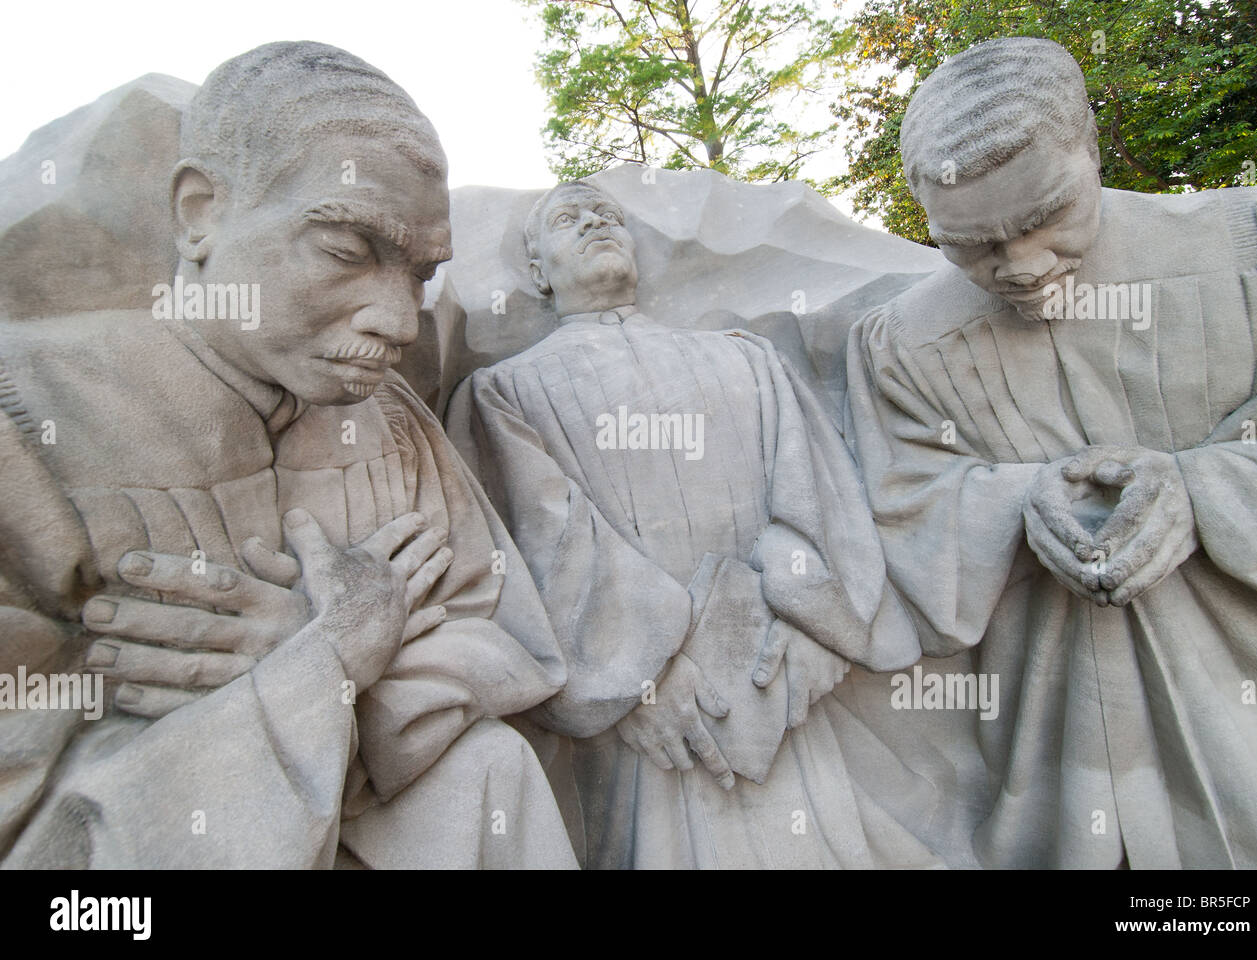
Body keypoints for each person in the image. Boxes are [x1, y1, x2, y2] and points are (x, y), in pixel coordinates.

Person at [0, 41, 575, 869]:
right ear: (201, 211)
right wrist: (323, 664)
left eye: (419, 276)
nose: (400, 323)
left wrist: (349, 676)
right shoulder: (32, 416)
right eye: (345, 251)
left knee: (490, 768)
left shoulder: (394, 423)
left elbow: (497, 632)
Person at [847, 36, 1257, 868]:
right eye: (970, 245)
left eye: (1045, 217)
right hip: (1050, 734)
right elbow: (902, 499)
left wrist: (1202, 492)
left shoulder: (1248, 253)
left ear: (1089, 145)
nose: (1018, 267)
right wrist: (1017, 503)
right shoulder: (903, 342)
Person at [447, 179, 988, 868]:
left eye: (606, 213)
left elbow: (817, 498)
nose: (593, 224)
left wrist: (811, 627)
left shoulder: (747, 359)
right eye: (566, 221)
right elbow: (541, 550)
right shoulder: (505, 393)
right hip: (652, 717)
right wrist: (632, 678)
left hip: (777, 680)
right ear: (537, 272)